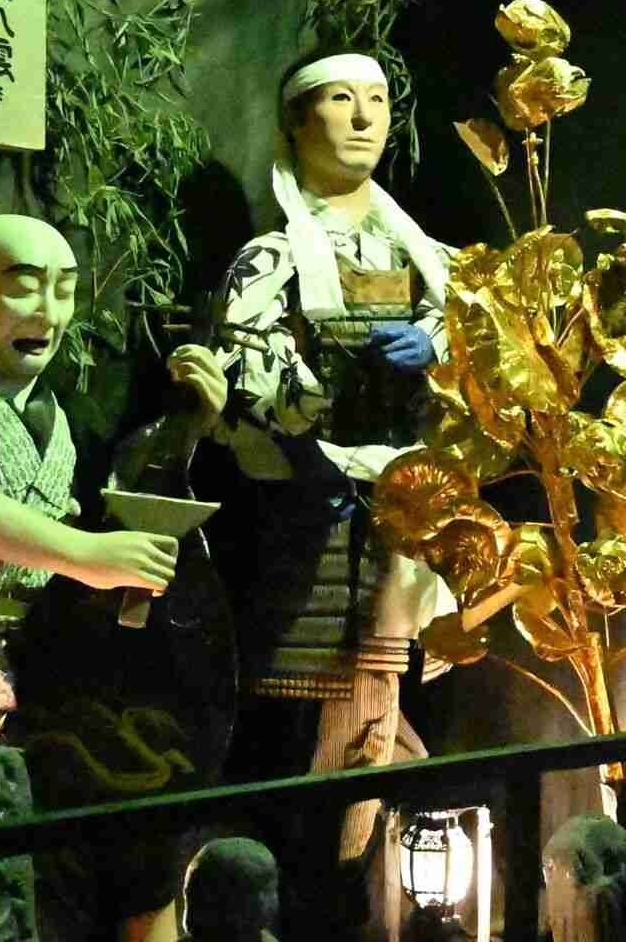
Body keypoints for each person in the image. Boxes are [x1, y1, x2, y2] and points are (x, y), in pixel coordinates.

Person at [0, 213, 226, 942]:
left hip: (56, 724)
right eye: (23, 286)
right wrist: (80, 554)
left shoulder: (73, 416)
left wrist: (188, 426)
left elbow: (118, 503)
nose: (49, 312)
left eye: (64, 288)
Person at [212, 52, 455, 933]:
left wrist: (440, 347)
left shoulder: (437, 265)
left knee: (385, 731)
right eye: (340, 100)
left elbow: (494, 373)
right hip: (305, 518)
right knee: (291, 734)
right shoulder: (271, 259)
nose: (363, 118)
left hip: (410, 523)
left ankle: (358, 908)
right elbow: (243, 380)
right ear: (295, 122)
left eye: (378, 101)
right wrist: (317, 401)